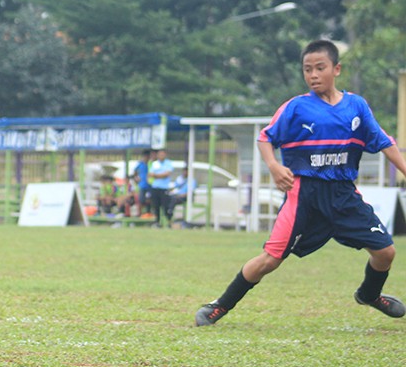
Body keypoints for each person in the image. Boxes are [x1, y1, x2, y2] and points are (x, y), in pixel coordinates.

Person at [195, 40, 406, 326]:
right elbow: (265, 138)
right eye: (307, 69)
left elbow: (384, 142)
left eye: (320, 68)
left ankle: (369, 295)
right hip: (304, 195)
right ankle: (219, 305)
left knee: (385, 252)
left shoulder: (356, 106)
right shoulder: (296, 107)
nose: (313, 75)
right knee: (270, 260)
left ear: (336, 69)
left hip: (343, 194)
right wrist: (274, 166)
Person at [148, 149, 174, 227]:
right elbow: (151, 174)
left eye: (162, 154)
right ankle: (157, 222)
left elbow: (167, 174)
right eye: (160, 154)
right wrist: (161, 175)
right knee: (156, 206)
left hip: (164, 188)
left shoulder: (168, 163)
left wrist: (156, 175)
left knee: (166, 206)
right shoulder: (155, 164)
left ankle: (169, 222)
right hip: (155, 187)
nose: (161, 156)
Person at [130, 150, 152, 215]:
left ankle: (148, 213)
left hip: (150, 185)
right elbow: (134, 172)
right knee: (141, 200)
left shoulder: (151, 164)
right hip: (142, 185)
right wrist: (136, 179)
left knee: (149, 199)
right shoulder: (140, 164)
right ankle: (139, 214)